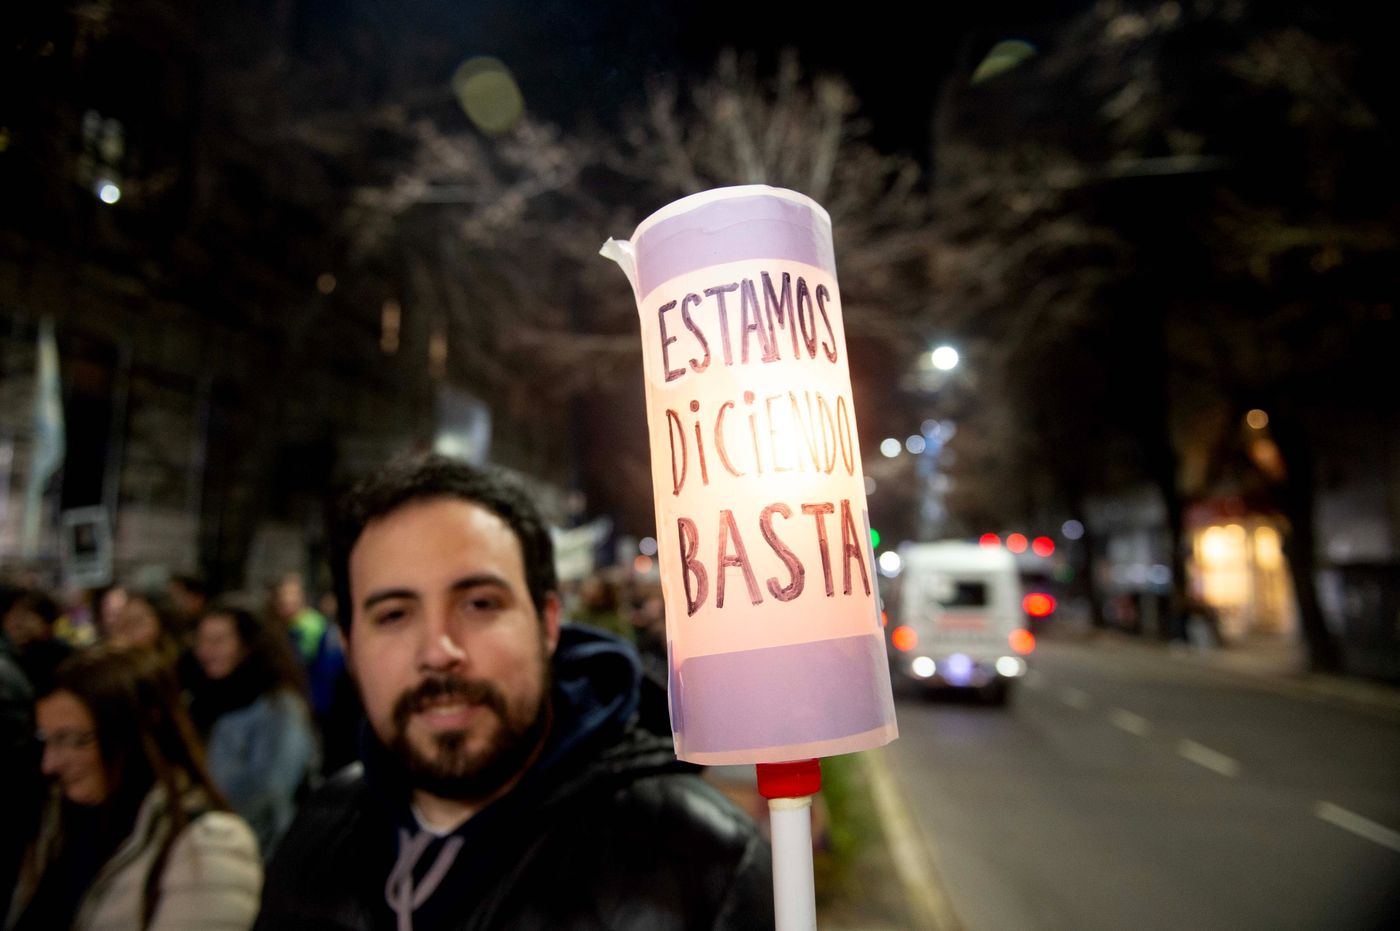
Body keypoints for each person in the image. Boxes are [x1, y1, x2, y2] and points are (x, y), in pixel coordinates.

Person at [255, 453, 772, 930]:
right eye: (393, 615)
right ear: (349, 646)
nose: (438, 650)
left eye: (479, 604)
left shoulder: (703, 867)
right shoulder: (313, 840)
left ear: (548, 623)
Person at [6, 645, 261, 931]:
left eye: (74, 740)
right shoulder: (61, 823)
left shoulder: (209, 844)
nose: (49, 764)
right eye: (48, 741)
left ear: (133, 736)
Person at [188, 605, 317, 857]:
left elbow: (271, 789)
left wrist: (205, 805)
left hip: (260, 852)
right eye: (201, 641)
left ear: (248, 645)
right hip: (210, 848)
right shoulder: (204, 699)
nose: (205, 651)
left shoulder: (278, 707)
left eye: (218, 641)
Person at [1, 588, 74, 695]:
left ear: (45, 624)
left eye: (25, 616)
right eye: (13, 615)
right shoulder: (10, 656)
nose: (16, 623)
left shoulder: (63, 657)